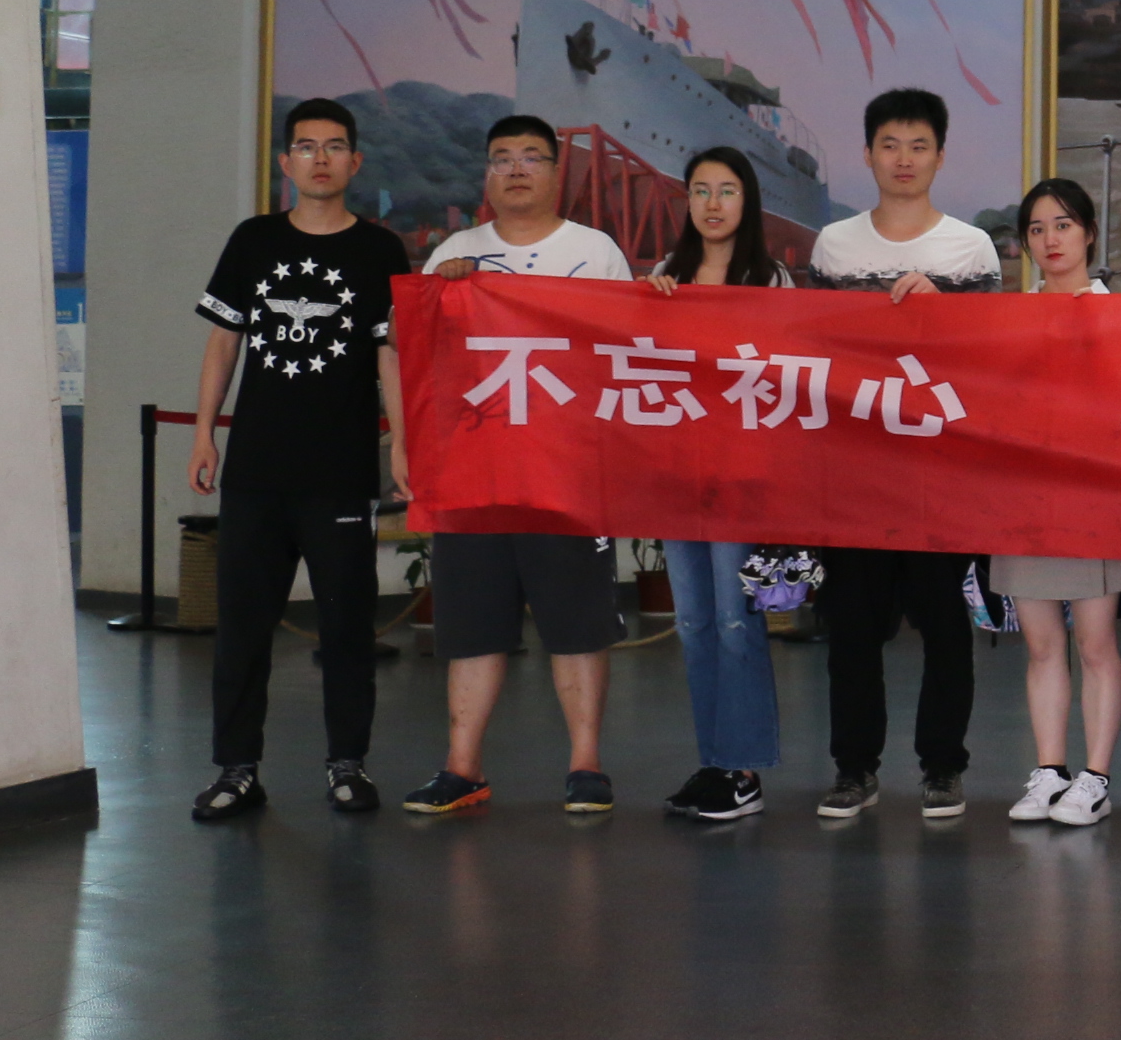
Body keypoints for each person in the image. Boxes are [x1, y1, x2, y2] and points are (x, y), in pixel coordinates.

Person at [185, 99, 412, 821]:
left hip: (339, 471)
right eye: (306, 146)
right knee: (242, 627)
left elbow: (389, 354)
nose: (320, 158)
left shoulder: (380, 250)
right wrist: (203, 434)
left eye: (334, 146)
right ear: (286, 163)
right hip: (256, 470)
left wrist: (405, 443)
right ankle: (236, 770)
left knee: (346, 629)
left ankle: (348, 764)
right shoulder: (253, 240)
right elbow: (224, 340)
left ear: (355, 162)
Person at [406, 116, 634, 817]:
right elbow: (418, 357)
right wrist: (441, 295)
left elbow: (628, 347)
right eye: (501, 158)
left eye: (532, 157)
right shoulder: (455, 253)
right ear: (487, 173)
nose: (515, 169)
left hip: (567, 468)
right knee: (472, 619)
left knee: (577, 620)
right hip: (476, 470)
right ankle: (462, 767)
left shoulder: (594, 252)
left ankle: (586, 764)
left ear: (556, 173)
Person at [805, 87, 1000, 822]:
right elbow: (814, 351)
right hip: (855, 467)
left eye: (919, 146)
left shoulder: (970, 248)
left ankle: (943, 767)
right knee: (851, 628)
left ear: (940, 157)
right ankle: (854, 768)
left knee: (944, 626)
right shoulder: (835, 245)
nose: (904, 159)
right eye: (890, 145)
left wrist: (943, 313)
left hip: (940, 469)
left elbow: (994, 361)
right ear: (867, 155)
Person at [641, 146, 785, 823]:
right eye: (700, 190)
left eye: (726, 190)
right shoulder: (666, 277)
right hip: (677, 473)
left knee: (735, 619)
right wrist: (648, 309)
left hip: (743, 474)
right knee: (694, 622)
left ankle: (744, 767)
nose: (713, 203)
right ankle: (714, 758)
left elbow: (788, 372)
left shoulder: (769, 279)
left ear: (746, 200)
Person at [990, 179, 1121, 828]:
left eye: (1064, 225)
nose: (1051, 239)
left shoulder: (1120, 315)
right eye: (1038, 228)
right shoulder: (1009, 318)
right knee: (1043, 644)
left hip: (1095, 499)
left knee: (1097, 643)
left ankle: (1095, 777)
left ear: (1089, 234)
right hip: (1024, 498)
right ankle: (1050, 771)